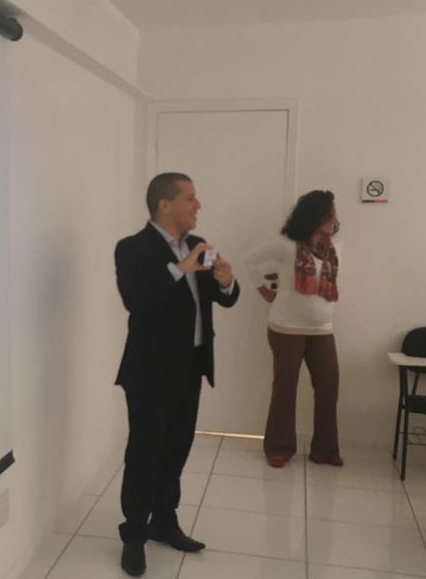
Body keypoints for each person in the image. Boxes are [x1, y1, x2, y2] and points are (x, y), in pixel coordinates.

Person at [114, 172, 240, 576]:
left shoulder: (198, 245)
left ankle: (164, 523)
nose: (197, 205)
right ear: (164, 205)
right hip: (149, 373)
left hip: (190, 368)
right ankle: (134, 535)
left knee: (175, 451)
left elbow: (223, 299)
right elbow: (137, 300)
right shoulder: (132, 248)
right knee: (144, 454)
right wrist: (181, 267)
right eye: (190, 198)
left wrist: (227, 281)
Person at [243, 190, 343, 469]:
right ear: (316, 216)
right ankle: (279, 447)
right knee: (285, 387)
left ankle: (325, 450)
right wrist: (264, 291)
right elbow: (249, 260)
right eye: (330, 212)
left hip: (322, 329)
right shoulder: (286, 246)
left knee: (328, 386)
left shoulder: (335, 247)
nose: (335, 218)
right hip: (285, 328)